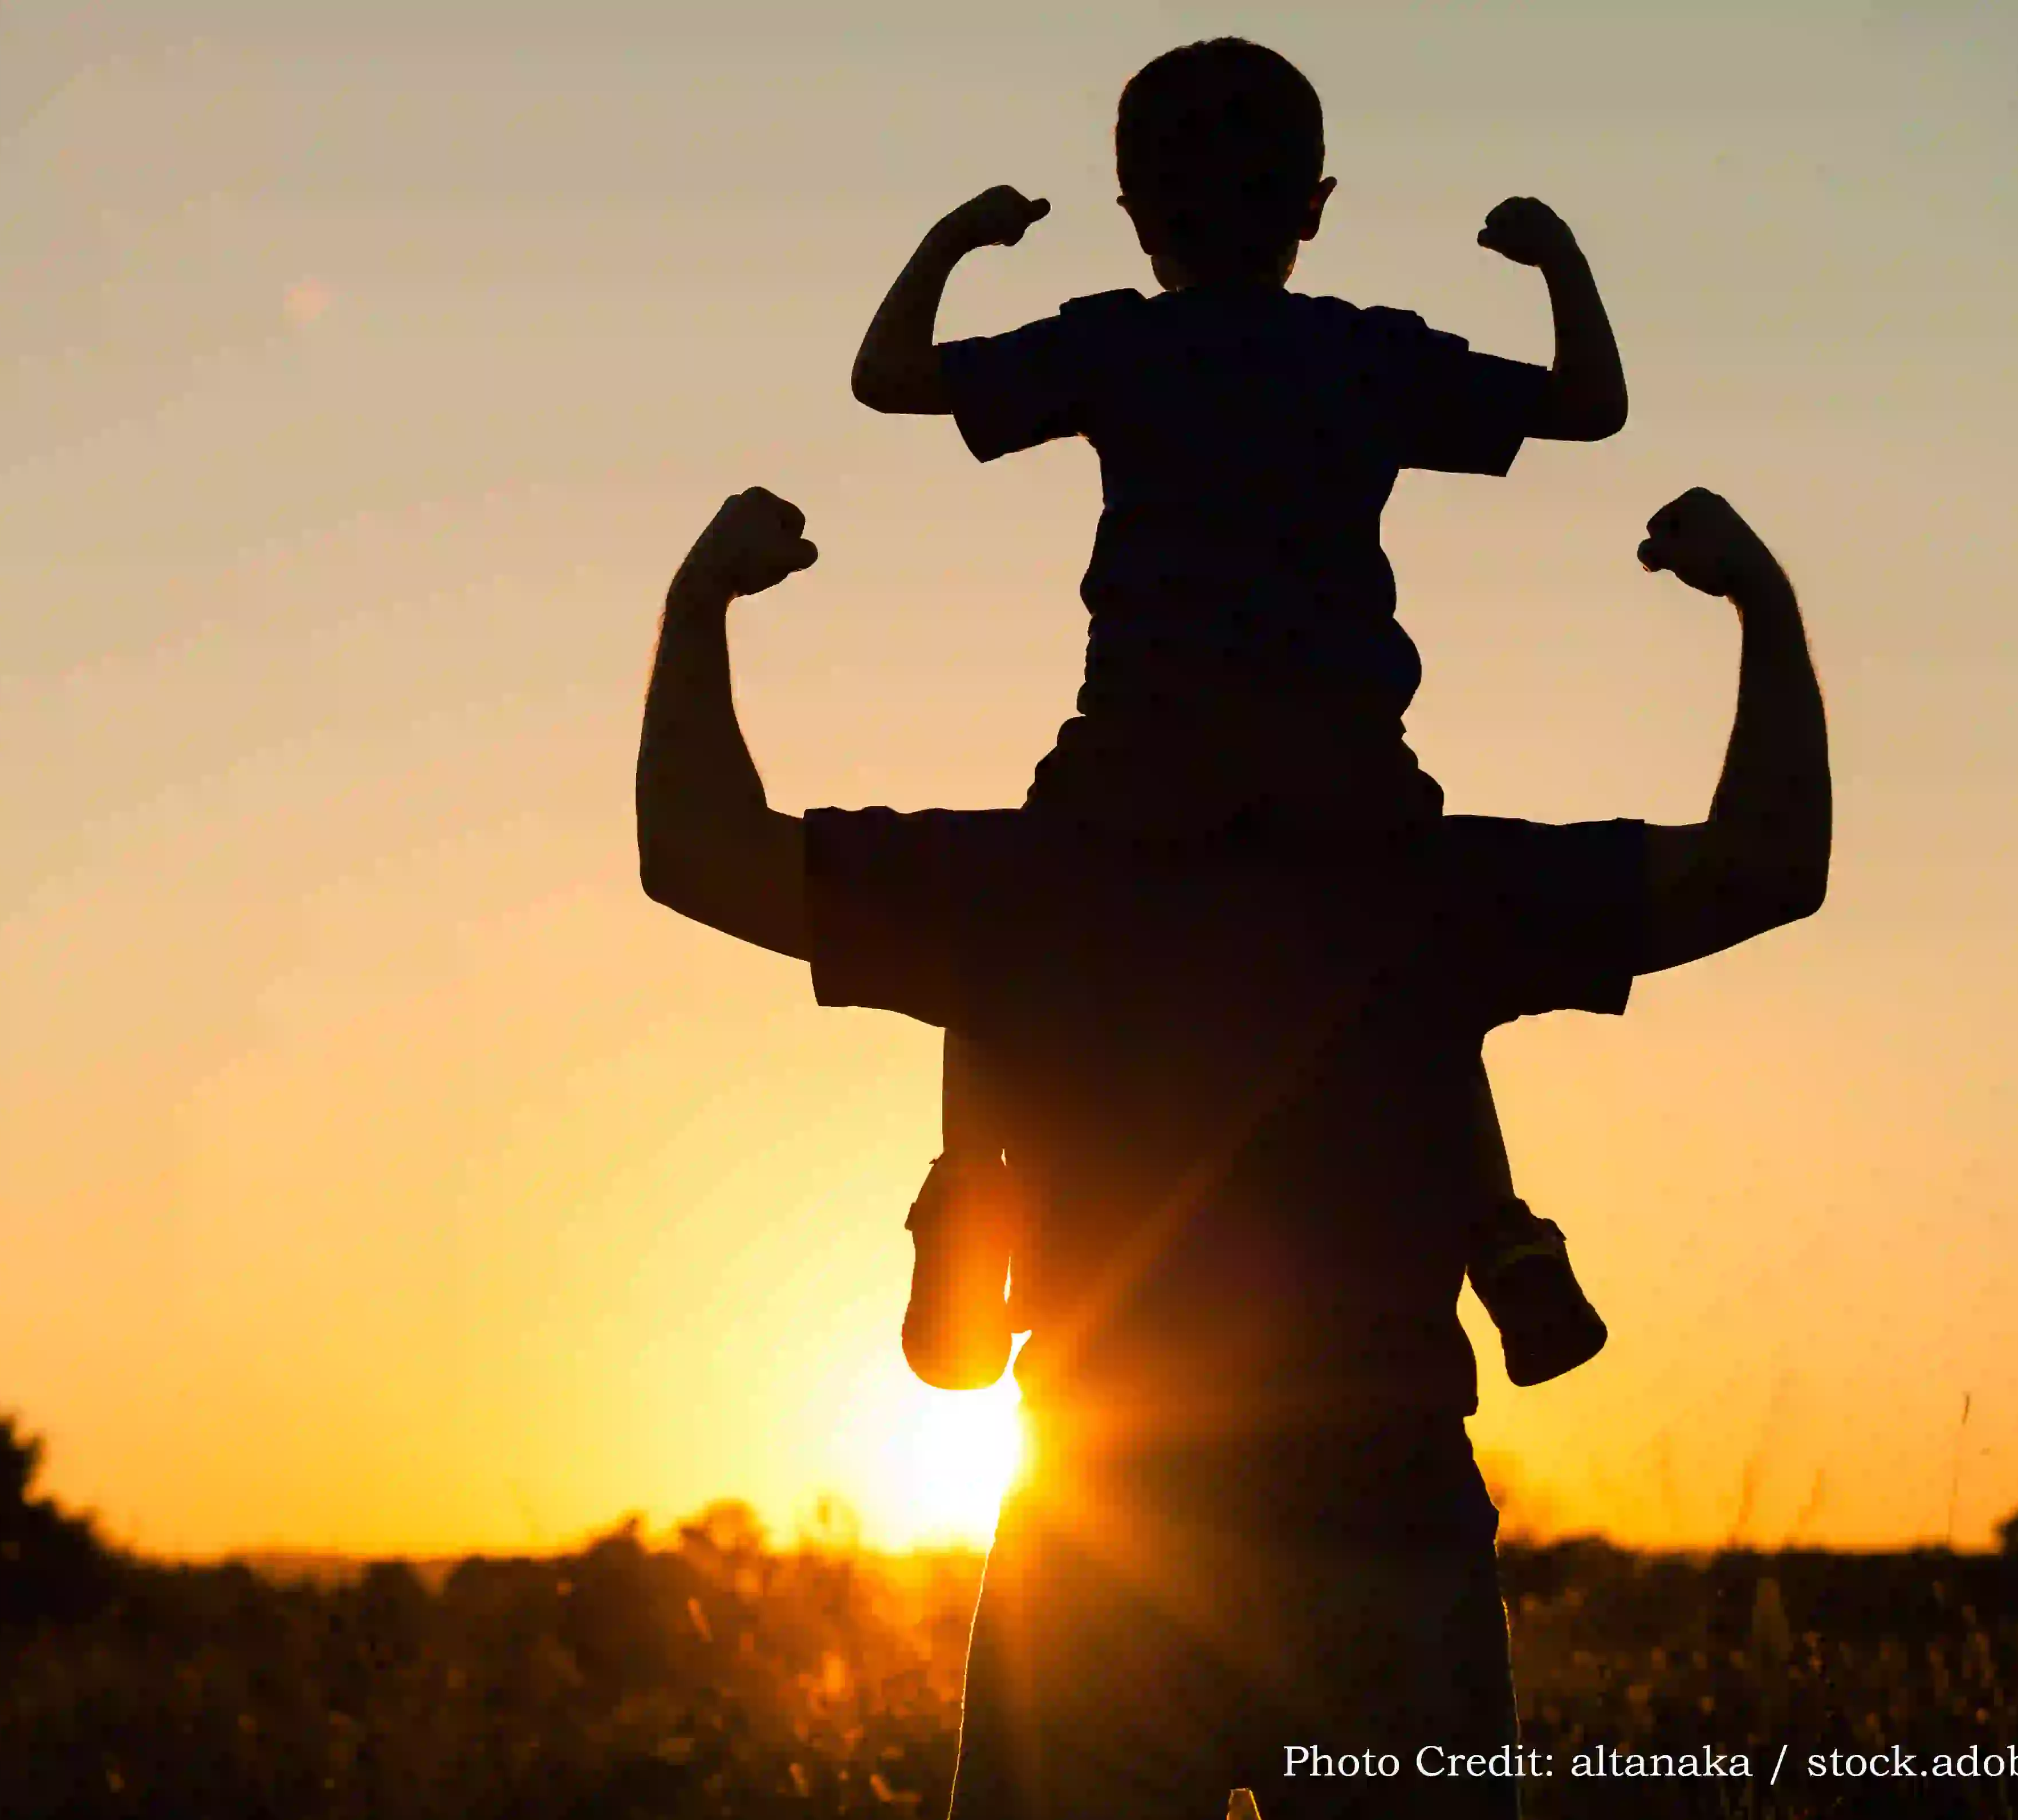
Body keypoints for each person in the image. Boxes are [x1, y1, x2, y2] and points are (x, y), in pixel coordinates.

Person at [636, 482, 1827, 1817]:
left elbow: (696, 850)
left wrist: (703, 600)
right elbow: (1766, 864)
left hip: (1107, 1529)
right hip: (1384, 1519)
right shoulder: (1431, 887)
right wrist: (1760, 603)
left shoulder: (1021, 890)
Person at [848, 37, 1629, 1392]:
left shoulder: (1118, 342)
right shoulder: (1364, 355)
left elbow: (890, 375)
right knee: (1420, 988)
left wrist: (958, 241)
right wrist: (1558, 259)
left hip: (1140, 757)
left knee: (984, 945)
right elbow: (1588, 407)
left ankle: (974, 1201)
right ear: (1316, 206)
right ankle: (1499, 1232)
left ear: (1135, 212)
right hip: (1342, 767)